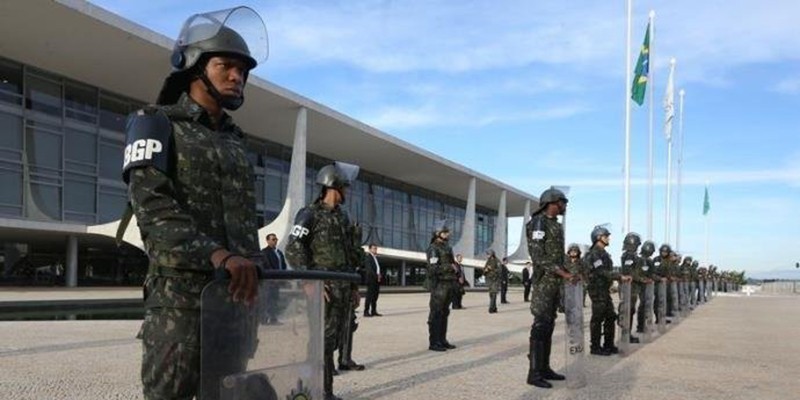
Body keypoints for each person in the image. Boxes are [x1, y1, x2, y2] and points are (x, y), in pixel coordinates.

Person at [124, 7, 267, 400]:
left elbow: (242, 220)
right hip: (180, 309)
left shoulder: (237, 141)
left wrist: (257, 261)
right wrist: (219, 255)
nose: (238, 76)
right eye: (226, 66)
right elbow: (153, 210)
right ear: (193, 65)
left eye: (243, 70)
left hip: (233, 306)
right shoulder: (156, 123)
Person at [284, 161, 363, 400]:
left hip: (342, 288)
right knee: (320, 343)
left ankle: (325, 391)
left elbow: (350, 254)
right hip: (323, 288)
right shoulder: (309, 214)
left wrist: (353, 287)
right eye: (344, 188)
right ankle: (315, 391)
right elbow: (294, 247)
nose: (347, 193)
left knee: (335, 340)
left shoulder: (342, 217)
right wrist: (310, 281)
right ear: (333, 186)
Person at [525, 187, 576, 388]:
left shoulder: (555, 225)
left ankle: (544, 368)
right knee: (540, 325)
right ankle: (534, 373)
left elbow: (557, 255)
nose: (564, 206)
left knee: (549, 325)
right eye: (562, 202)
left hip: (555, 281)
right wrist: (562, 272)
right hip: (545, 281)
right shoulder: (539, 223)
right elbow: (538, 257)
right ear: (552, 203)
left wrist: (570, 271)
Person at [586, 225, 630, 356]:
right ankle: (595, 347)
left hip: (604, 290)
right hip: (597, 290)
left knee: (611, 317)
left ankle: (608, 345)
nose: (608, 238)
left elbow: (607, 271)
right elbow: (601, 271)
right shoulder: (594, 254)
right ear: (598, 238)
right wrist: (619, 276)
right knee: (598, 318)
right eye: (606, 236)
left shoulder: (604, 253)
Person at [425, 219, 459, 351]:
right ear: (438, 233)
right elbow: (433, 268)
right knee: (436, 313)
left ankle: (442, 339)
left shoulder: (448, 248)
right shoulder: (433, 249)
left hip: (448, 284)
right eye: (445, 232)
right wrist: (450, 267)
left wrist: (454, 269)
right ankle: (434, 342)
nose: (448, 234)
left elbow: (453, 264)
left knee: (445, 313)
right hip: (439, 285)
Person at [620, 232, 650, 344]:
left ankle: (627, 334)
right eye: (636, 244)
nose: (638, 246)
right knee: (628, 311)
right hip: (629, 287)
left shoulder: (632, 255)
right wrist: (641, 279)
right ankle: (625, 335)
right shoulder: (628, 255)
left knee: (630, 311)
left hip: (633, 287)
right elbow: (629, 272)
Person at [363, 243, 383, 317]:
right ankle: (366, 312)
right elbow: (369, 270)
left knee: (375, 296)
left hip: (377, 280)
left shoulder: (376, 258)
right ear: (370, 249)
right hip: (371, 279)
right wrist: (376, 276)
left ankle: (373, 311)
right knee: (369, 296)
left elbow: (377, 268)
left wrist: (379, 275)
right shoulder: (368, 257)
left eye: (376, 248)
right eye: (374, 248)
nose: (375, 250)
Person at [483, 249, 501, 313]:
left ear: (492, 254)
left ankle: (491, 308)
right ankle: (494, 308)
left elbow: (499, 270)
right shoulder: (488, 261)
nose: (487, 255)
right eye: (487, 254)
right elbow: (484, 269)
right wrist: (485, 270)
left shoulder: (497, 261)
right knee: (491, 294)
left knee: (493, 293)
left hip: (495, 279)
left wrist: (491, 269)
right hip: (489, 279)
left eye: (488, 254)